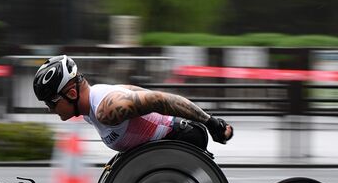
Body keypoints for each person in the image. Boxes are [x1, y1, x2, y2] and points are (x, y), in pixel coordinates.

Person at [32, 54, 232, 153]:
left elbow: (160, 99)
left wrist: (210, 122)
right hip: (164, 147)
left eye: (51, 102)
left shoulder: (107, 108)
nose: (49, 109)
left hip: (185, 139)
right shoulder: (89, 110)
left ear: (72, 93)